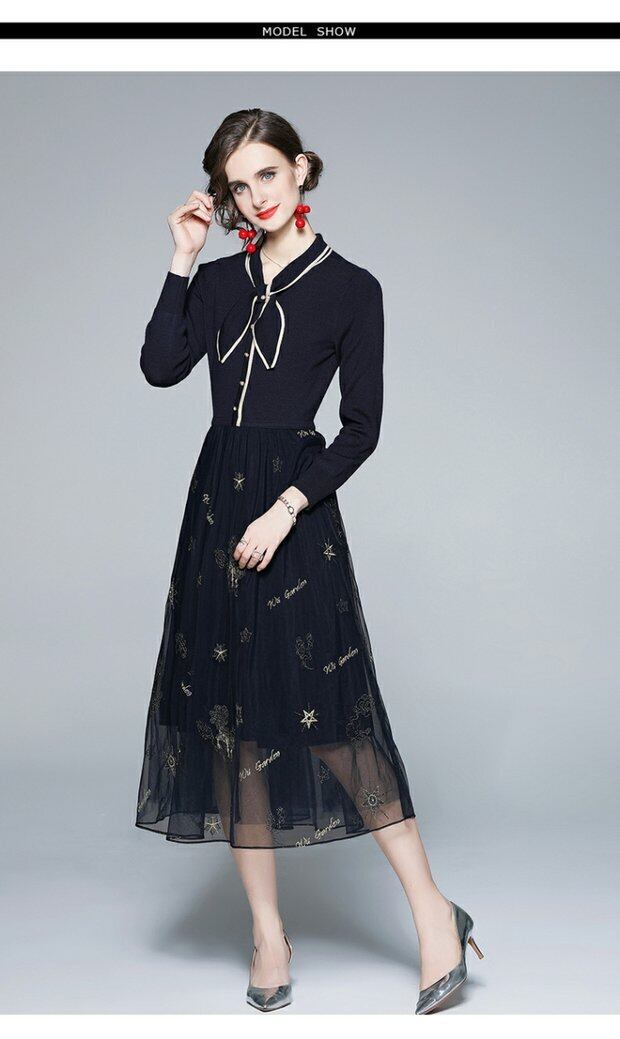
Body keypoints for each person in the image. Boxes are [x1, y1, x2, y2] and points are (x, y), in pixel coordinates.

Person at [134, 108, 483, 1015]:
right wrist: (181, 259)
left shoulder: (352, 289)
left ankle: (433, 912)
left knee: (334, 722)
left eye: (267, 175)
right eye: (236, 185)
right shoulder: (217, 279)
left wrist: (287, 507)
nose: (254, 197)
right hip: (217, 508)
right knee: (233, 724)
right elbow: (160, 367)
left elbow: (362, 428)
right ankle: (267, 933)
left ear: (302, 170)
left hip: (293, 511)